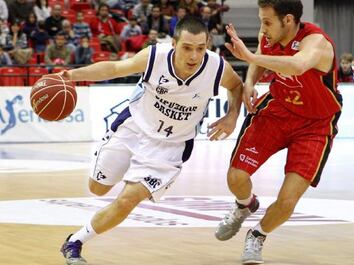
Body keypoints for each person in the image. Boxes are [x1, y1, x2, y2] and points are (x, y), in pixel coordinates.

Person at [59, 16, 243, 265]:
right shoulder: (155, 56)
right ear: (175, 43)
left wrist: (232, 116)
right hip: (133, 127)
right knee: (98, 188)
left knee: (127, 200)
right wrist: (70, 75)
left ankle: (75, 241)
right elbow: (113, 68)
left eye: (200, 48)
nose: (194, 56)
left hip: (170, 147)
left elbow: (237, 86)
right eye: (187, 48)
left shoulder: (216, 67)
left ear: (207, 45)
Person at [214, 0, 342, 264]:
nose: (262, 27)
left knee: (287, 201)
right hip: (277, 110)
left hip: (315, 124)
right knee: (236, 177)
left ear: (288, 20)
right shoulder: (268, 35)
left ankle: (257, 235)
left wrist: (248, 57)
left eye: (267, 21)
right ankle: (245, 204)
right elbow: (262, 55)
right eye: (261, 20)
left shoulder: (316, 43)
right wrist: (249, 81)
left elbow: (296, 65)